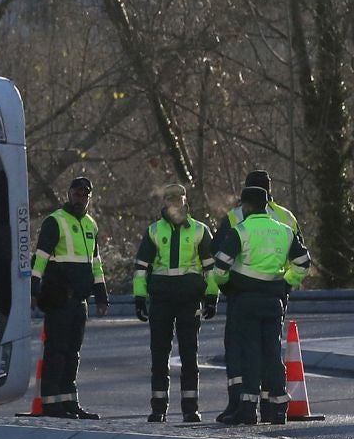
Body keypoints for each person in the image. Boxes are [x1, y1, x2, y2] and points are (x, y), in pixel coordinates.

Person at [210, 184, 312, 425]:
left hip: (246, 299)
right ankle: (278, 409)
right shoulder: (284, 230)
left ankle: (247, 409)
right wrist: (287, 282)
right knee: (272, 353)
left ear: (246, 206)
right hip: (274, 300)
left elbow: (220, 268)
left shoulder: (241, 231)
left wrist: (227, 286)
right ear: (266, 205)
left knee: (251, 354)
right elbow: (304, 262)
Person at [132, 184, 216, 423]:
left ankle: (191, 408)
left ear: (184, 202)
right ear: (165, 204)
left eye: (178, 202)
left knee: (190, 356)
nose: (174, 207)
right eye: (170, 202)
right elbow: (141, 269)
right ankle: (158, 407)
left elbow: (211, 269)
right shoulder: (154, 231)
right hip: (161, 300)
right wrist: (139, 298)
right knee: (159, 356)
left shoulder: (200, 230)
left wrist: (211, 297)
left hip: (189, 301)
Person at [30, 175, 109, 419]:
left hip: (80, 300)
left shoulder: (91, 225)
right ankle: (51, 403)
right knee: (56, 351)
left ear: (89, 197)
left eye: (84, 194)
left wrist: (101, 295)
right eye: (76, 193)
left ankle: (69, 402)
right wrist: (34, 288)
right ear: (68, 194)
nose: (80, 198)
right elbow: (40, 257)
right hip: (59, 296)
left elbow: (95, 263)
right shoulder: (55, 221)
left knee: (73, 352)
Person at [227, 170, 300, 234]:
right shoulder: (288, 216)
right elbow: (299, 247)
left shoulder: (234, 216)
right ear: (269, 189)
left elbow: (219, 247)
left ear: (248, 190)